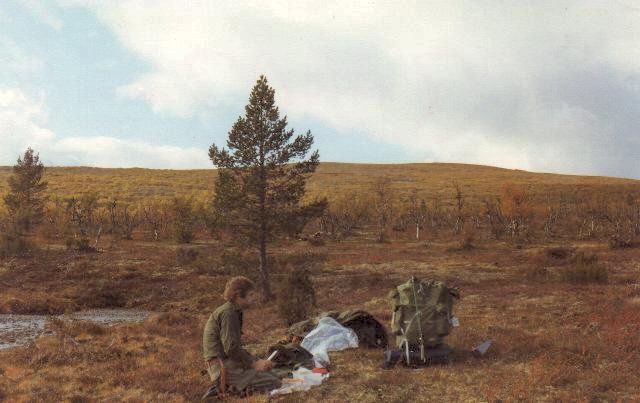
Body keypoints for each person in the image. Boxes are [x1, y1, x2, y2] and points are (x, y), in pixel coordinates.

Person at [202, 276, 282, 399]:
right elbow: (231, 348)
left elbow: (233, 349)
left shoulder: (233, 311)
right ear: (238, 295)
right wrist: (254, 363)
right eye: (251, 295)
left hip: (229, 362)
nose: (254, 298)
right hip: (222, 366)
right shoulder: (228, 313)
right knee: (273, 382)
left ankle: (232, 387)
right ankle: (225, 389)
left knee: (272, 375)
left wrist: (257, 361)